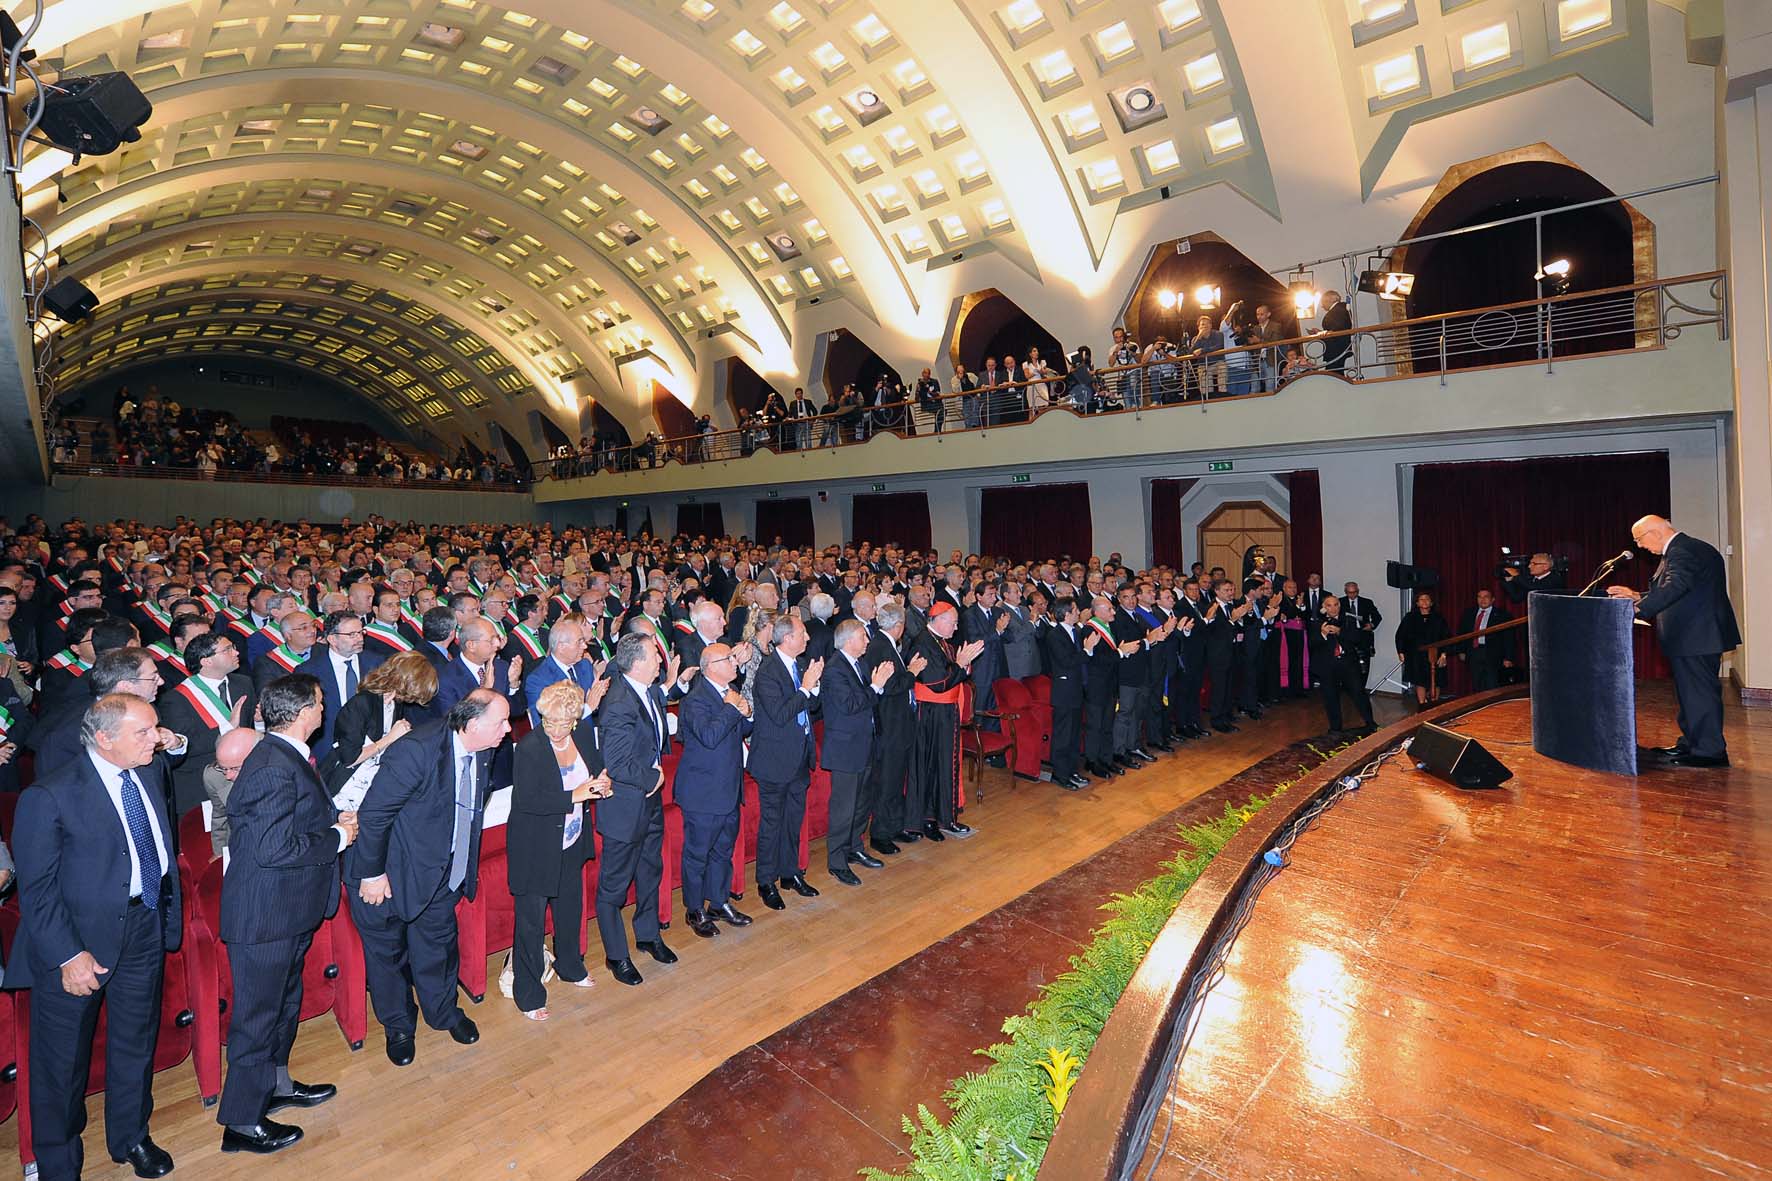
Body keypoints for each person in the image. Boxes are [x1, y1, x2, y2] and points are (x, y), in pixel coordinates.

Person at [11, 694, 181, 1181]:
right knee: (61, 1063)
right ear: (104, 739)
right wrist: (68, 955)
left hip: (143, 924)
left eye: (155, 729)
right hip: (76, 943)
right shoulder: (50, 795)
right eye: (144, 732)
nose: (157, 739)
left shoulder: (148, 770)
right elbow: (37, 891)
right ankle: (57, 1164)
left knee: (135, 1040)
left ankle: (131, 1136)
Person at [217, 674, 355, 1155]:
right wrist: (337, 837)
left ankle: (273, 1086)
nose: (323, 710)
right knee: (257, 1019)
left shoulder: (283, 756)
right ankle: (242, 1122)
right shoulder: (275, 765)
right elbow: (276, 849)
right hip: (265, 916)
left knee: (282, 1008)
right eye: (318, 704)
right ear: (301, 713)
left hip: (288, 909)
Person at [350, 689, 509, 1066]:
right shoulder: (416, 751)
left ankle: (442, 1011)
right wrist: (373, 874)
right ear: (471, 725)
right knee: (389, 954)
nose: (507, 729)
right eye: (500, 722)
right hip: (389, 870)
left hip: (443, 868)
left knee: (438, 943)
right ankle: (399, 1025)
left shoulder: (485, 748)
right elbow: (374, 815)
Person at [508, 681, 610, 1019]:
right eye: (548, 721)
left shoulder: (582, 736)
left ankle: (570, 966)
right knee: (531, 924)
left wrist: (601, 785)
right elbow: (526, 800)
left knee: (569, 909)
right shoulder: (529, 747)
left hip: (570, 840)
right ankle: (529, 993)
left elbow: (595, 771)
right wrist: (575, 796)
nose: (553, 728)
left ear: (575, 720)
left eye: (561, 722)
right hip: (535, 846)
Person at [1608, 515, 1741, 768]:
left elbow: (1676, 587)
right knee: (1690, 694)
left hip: (1697, 636)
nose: (1639, 546)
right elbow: (1680, 590)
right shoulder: (1681, 550)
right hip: (1692, 636)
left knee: (1699, 694)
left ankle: (1709, 753)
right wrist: (1637, 596)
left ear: (1655, 531)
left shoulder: (1685, 550)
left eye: (1639, 539)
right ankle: (1691, 744)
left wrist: (1636, 610)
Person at [594, 634, 676, 985]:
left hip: (650, 802)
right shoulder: (618, 703)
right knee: (613, 887)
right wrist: (652, 779)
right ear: (637, 662)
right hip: (625, 806)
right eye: (655, 656)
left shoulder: (651, 691)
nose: (661, 661)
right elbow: (617, 762)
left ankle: (647, 934)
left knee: (649, 872)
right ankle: (617, 956)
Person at [672, 641, 753, 937]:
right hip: (703, 793)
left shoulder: (728, 694)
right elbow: (709, 736)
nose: (735, 663)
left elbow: (741, 730)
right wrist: (733, 708)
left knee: (723, 851)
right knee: (697, 854)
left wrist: (747, 713)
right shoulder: (695, 700)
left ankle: (719, 901)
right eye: (729, 659)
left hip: (729, 787)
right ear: (711, 667)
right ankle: (695, 909)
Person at [750, 615, 823, 909]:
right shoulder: (768, 672)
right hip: (774, 761)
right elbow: (780, 714)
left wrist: (813, 690)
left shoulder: (800, 665)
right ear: (787, 638)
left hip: (798, 756)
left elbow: (813, 708)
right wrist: (805, 688)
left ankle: (790, 872)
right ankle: (766, 881)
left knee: (794, 820)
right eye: (803, 633)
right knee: (772, 823)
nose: (807, 639)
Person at [823, 620, 894, 885]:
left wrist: (877, 686)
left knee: (862, 803)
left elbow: (869, 700)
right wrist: (876, 685)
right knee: (844, 808)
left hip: (865, 743)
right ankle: (837, 861)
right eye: (863, 637)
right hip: (845, 748)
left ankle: (854, 848)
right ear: (849, 640)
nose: (867, 641)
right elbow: (851, 704)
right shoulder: (834, 669)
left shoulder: (858, 663)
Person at [907, 602, 986, 839]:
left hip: (944, 713)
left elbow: (950, 671)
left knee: (945, 765)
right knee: (934, 766)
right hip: (931, 714)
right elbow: (938, 683)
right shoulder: (923, 642)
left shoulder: (940, 641)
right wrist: (961, 666)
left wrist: (961, 665)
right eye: (953, 622)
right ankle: (930, 819)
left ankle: (945, 816)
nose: (956, 626)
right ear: (938, 620)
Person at [158, 631, 253, 813]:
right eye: (227, 650)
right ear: (206, 661)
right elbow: (185, 746)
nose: (236, 652)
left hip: (245, 779)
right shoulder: (176, 699)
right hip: (203, 788)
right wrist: (227, 728)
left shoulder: (243, 683)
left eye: (233, 647)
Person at [317, 651, 435, 796]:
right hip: (345, 786)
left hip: (374, 783)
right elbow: (349, 759)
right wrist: (390, 738)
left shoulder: (395, 704)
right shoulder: (362, 703)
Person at [864, 602, 924, 852]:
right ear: (899, 625)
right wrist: (911, 673)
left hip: (899, 723)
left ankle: (895, 826)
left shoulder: (886, 643)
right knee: (887, 781)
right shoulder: (880, 646)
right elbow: (889, 686)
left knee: (897, 777)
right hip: (889, 725)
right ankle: (880, 834)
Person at [1311, 596, 1376, 735]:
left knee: (1359, 693)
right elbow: (1312, 644)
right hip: (1327, 666)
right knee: (1330, 697)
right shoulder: (1316, 623)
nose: (1333, 608)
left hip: (1348, 664)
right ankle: (1335, 728)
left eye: (1336, 605)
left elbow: (1359, 639)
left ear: (1339, 606)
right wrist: (1322, 634)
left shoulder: (1349, 620)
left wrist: (1341, 632)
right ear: (1324, 607)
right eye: (1329, 605)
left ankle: (1371, 723)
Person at [1042, 597, 1089, 790]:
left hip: (1077, 689)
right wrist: (1087, 650)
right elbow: (1066, 661)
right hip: (1064, 691)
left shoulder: (1076, 631)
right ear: (1067, 613)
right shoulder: (1054, 635)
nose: (1078, 612)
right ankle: (1061, 775)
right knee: (1063, 735)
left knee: (1075, 734)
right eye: (1075, 609)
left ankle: (1072, 770)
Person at [203, 726, 261, 857]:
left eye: (235, 768)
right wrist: (219, 853)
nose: (228, 776)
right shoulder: (214, 776)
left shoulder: (282, 771)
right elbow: (220, 816)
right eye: (223, 768)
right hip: (239, 846)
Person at [1394, 592, 1452, 707]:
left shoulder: (1438, 618)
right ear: (1417, 603)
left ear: (1431, 603)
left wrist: (1444, 654)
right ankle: (1422, 704)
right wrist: (1401, 651)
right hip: (1416, 655)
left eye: (1427, 599)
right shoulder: (1410, 617)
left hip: (1435, 654)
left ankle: (1434, 704)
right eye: (1421, 599)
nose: (1424, 601)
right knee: (1419, 680)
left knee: (1436, 680)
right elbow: (1401, 635)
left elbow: (1446, 636)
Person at [1456, 589, 1514, 691]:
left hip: (1493, 654)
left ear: (1492, 600)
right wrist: (1461, 650)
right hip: (1474, 652)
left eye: (1486, 597)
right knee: (1477, 684)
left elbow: (1508, 638)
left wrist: (1508, 658)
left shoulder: (1502, 615)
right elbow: (1462, 633)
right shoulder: (1469, 613)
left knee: (1492, 684)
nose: (1482, 599)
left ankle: (1493, 706)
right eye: (1479, 597)